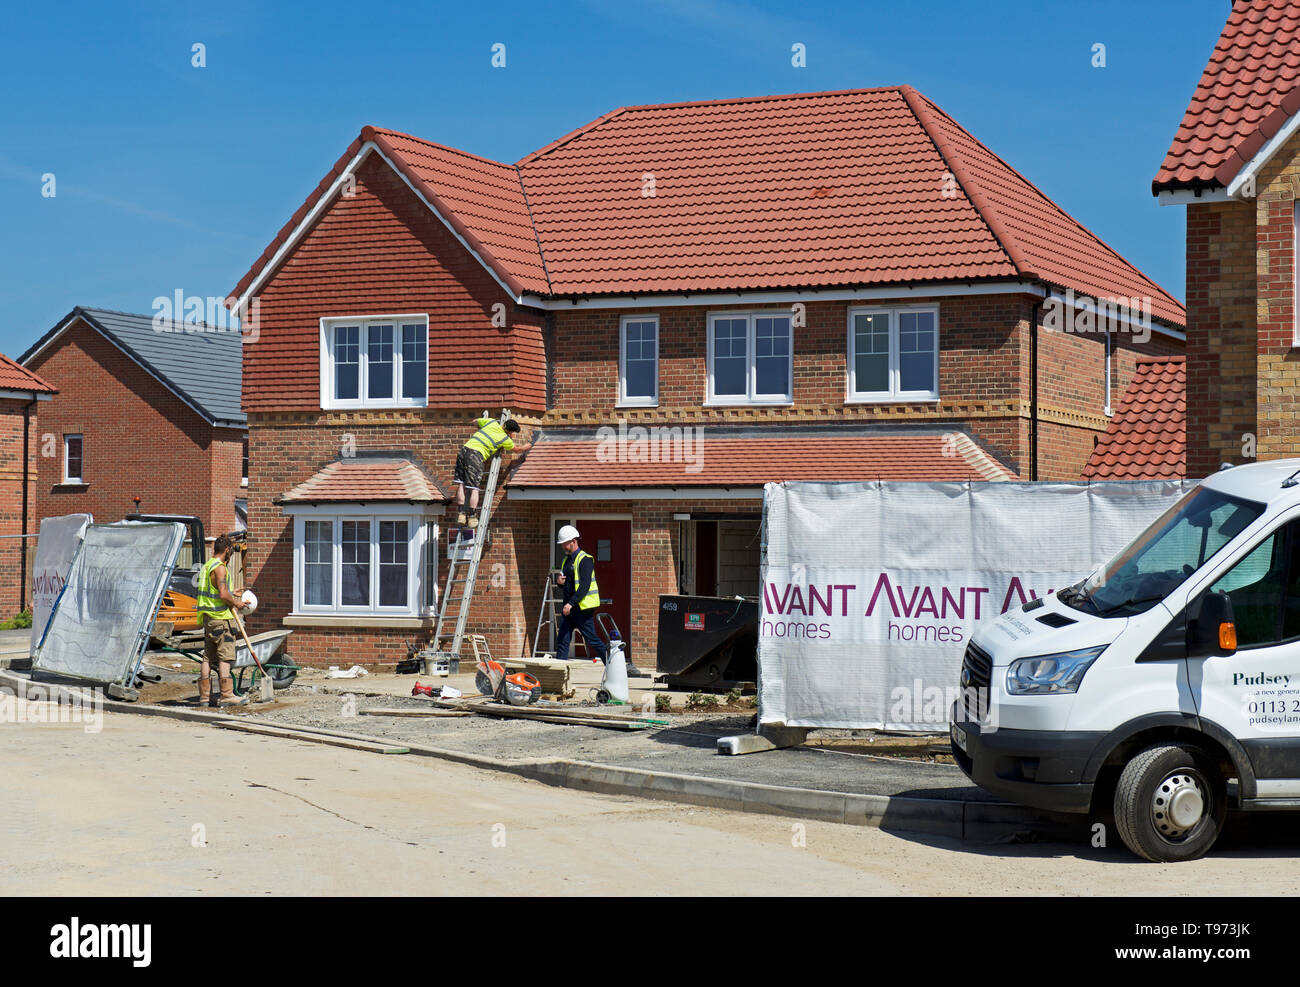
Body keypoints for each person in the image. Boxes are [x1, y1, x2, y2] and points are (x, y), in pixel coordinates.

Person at [553, 526, 642, 676]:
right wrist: (560, 583)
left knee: (593, 640)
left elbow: (585, 586)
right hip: (569, 609)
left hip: (582, 609)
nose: (562, 546)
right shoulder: (566, 561)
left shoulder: (585, 560)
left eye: (565, 543)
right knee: (562, 640)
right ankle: (559, 674)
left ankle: (616, 666)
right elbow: (567, 585)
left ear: (573, 541)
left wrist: (571, 603)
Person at [195, 534, 252, 707]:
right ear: (227, 550)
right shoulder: (220, 568)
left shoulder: (207, 566)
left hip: (208, 619)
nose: (231, 555)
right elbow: (222, 594)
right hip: (220, 619)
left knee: (207, 657)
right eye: (231, 552)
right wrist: (237, 602)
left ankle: (205, 696)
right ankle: (226, 695)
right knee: (225, 656)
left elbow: (217, 590)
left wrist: (230, 592)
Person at [454, 415, 533, 529]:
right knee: (474, 488)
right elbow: (517, 449)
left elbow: (475, 421)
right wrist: (528, 446)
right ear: (510, 432)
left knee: (461, 484)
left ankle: (461, 514)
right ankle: (471, 517)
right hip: (475, 456)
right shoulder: (505, 439)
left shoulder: (491, 422)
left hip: (463, 451)